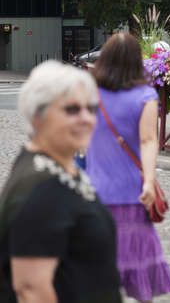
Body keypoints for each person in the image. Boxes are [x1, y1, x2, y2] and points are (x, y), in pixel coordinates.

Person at [0, 61, 122, 302]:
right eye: (72, 110)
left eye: (91, 108)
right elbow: (31, 289)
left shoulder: (59, 167)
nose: (86, 118)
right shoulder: (39, 188)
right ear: (38, 117)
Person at [86, 33, 170, 302]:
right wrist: (148, 181)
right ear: (137, 61)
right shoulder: (145, 96)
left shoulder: (90, 95)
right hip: (130, 196)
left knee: (96, 272)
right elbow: (149, 140)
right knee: (138, 274)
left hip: (94, 194)